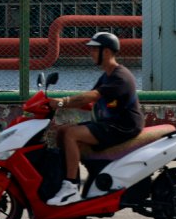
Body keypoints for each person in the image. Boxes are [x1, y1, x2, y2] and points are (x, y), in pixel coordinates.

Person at [45, 31, 144, 206]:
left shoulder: (120, 77)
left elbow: (91, 96)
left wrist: (62, 102)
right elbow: (90, 103)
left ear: (105, 52)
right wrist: (61, 106)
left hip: (122, 127)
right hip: (109, 124)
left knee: (70, 135)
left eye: (93, 50)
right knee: (63, 131)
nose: (90, 53)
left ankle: (71, 188)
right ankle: (66, 181)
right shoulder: (106, 76)